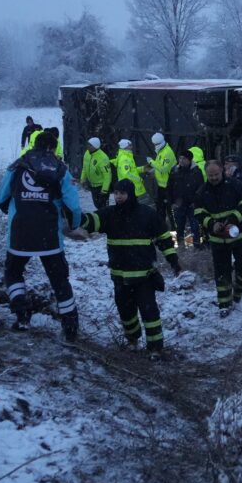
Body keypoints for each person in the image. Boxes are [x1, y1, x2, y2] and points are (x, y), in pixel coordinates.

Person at [78, 179, 181, 358]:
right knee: (126, 312)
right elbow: (89, 221)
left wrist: (174, 262)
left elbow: (164, 238)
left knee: (149, 312)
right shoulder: (109, 214)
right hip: (120, 276)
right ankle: (133, 340)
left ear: (130, 194)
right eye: (116, 193)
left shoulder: (147, 214)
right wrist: (70, 210)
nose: (118, 197)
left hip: (145, 277)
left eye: (122, 193)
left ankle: (155, 348)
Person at [0, 132, 82, 341]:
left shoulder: (17, 165)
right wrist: (74, 224)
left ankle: (22, 314)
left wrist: (17, 211)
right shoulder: (61, 169)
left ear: (34, 145)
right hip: (49, 236)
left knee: (13, 272)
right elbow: (74, 206)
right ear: (53, 148)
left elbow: (1, 198)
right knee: (60, 280)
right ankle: (70, 327)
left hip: (19, 234)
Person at [195, 161, 242, 317]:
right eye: (210, 175)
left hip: (240, 234)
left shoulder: (235, 185)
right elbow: (199, 212)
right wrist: (211, 224)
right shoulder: (201, 192)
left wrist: (233, 219)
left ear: (222, 171)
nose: (213, 178)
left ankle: (238, 290)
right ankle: (224, 303)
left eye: (216, 174)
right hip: (218, 240)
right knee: (221, 271)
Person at [170, 149, 205, 249]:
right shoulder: (175, 170)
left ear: (190, 160)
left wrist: (196, 202)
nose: (181, 160)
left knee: (195, 227)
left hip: (192, 205)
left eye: (184, 158)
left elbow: (200, 188)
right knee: (179, 227)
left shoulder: (196, 171)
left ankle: (197, 246)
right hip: (179, 204)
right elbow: (169, 187)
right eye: (180, 158)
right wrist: (172, 202)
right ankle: (181, 247)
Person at [148, 132, 176, 226]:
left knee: (170, 210)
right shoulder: (161, 151)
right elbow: (160, 165)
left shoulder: (167, 152)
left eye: (156, 144)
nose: (155, 146)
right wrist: (153, 170)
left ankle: (174, 229)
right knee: (160, 209)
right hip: (162, 186)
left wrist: (151, 162)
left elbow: (164, 169)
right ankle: (162, 227)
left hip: (168, 186)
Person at [80, 137, 112, 210]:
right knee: (97, 205)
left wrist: (104, 190)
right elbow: (84, 167)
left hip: (101, 187)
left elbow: (108, 175)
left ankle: (106, 220)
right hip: (93, 185)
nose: (88, 146)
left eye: (90, 145)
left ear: (95, 146)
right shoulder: (86, 153)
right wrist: (82, 179)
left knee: (104, 207)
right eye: (88, 144)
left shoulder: (103, 158)